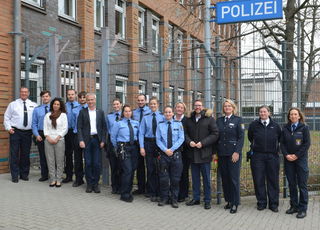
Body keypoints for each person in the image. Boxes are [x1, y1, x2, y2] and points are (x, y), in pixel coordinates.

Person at [185, 100, 219, 210]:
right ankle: (196, 198)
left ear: (202, 107)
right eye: (196, 105)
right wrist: (189, 142)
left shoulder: (209, 119)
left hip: (205, 154)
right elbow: (184, 134)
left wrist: (203, 143)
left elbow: (215, 134)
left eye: (199, 105)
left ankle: (207, 200)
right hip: (193, 154)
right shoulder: (189, 119)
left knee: (206, 179)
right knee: (195, 178)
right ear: (193, 107)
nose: (197, 107)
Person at [248, 105, 281, 212]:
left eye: (264, 112)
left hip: (272, 156)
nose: (262, 113)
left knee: (273, 180)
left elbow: (280, 138)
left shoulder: (276, 126)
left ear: (269, 113)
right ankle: (261, 202)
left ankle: (273, 204)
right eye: (260, 112)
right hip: (257, 156)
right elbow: (250, 137)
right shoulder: (253, 125)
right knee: (258, 179)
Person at [280, 108, 310, 219]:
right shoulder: (285, 128)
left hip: (301, 160)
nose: (293, 116)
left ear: (299, 116)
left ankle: (303, 209)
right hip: (288, 160)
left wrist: (296, 155)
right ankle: (294, 206)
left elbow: (306, 144)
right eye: (291, 114)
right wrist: (287, 155)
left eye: (295, 114)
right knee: (292, 184)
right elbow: (282, 144)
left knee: (302, 185)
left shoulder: (304, 128)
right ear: (289, 116)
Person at [216, 99, 244, 214]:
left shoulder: (238, 120)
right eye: (225, 106)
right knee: (225, 178)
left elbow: (241, 137)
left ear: (233, 108)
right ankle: (228, 201)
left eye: (229, 106)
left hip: (233, 154)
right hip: (222, 153)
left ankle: (235, 203)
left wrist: (237, 152)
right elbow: (216, 136)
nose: (227, 108)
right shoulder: (219, 120)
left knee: (233, 179)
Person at [4, 87, 37, 183]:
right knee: (14, 154)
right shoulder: (13, 104)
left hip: (27, 133)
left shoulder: (33, 105)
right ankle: (15, 175)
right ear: (20, 93)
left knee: (25, 154)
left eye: (25, 92)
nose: (24, 93)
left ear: (29, 93)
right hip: (15, 132)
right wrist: (8, 128)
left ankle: (24, 174)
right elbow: (7, 117)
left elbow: (35, 119)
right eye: (22, 92)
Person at [77, 93, 106, 193]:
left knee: (97, 164)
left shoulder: (100, 112)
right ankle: (89, 184)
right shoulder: (82, 112)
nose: (90, 102)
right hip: (87, 141)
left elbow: (103, 127)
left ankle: (96, 184)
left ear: (95, 100)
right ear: (86, 101)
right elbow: (79, 127)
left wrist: (103, 140)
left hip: (97, 140)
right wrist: (81, 140)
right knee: (88, 163)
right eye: (88, 100)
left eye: (92, 100)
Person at [156, 106, 184, 208]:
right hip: (164, 155)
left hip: (175, 154)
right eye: (166, 112)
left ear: (173, 114)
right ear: (164, 114)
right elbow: (158, 140)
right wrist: (165, 150)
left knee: (175, 179)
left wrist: (171, 149)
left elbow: (181, 138)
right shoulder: (160, 125)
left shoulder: (179, 124)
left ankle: (174, 199)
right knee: (163, 178)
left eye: (169, 112)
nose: (168, 114)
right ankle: (164, 198)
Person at [111, 105, 140, 202]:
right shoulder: (118, 123)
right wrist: (118, 148)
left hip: (134, 148)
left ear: (132, 112)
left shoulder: (136, 123)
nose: (128, 113)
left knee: (132, 170)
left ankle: (129, 190)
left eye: (129, 111)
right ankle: (124, 193)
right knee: (127, 170)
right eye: (126, 111)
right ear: (123, 113)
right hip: (124, 148)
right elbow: (113, 137)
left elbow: (139, 135)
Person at [139, 97, 164, 202]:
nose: (153, 106)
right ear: (149, 106)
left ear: (157, 105)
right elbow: (141, 133)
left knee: (159, 168)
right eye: (151, 104)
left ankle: (160, 192)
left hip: (159, 144)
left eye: (154, 104)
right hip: (148, 143)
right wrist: (142, 147)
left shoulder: (162, 117)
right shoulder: (145, 117)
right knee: (150, 169)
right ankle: (152, 192)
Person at [43, 97, 68, 187]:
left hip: (59, 140)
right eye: (54, 104)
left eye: (58, 104)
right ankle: (52, 179)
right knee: (50, 160)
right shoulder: (47, 115)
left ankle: (59, 179)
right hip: (48, 140)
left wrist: (57, 138)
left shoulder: (63, 115)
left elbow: (65, 129)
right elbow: (45, 128)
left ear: (60, 106)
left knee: (60, 160)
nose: (56, 106)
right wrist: (48, 137)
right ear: (52, 105)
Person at [132, 94, 151, 195]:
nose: (140, 102)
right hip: (137, 142)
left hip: (147, 141)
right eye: (138, 100)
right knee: (139, 166)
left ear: (145, 101)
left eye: (142, 100)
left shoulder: (150, 111)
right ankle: (141, 187)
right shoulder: (134, 113)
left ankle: (149, 188)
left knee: (150, 166)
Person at [32, 90, 51, 182]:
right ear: (41, 98)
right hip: (41, 133)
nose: (45, 98)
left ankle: (53, 174)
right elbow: (34, 123)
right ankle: (44, 175)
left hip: (52, 134)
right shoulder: (37, 109)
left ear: (49, 97)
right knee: (43, 155)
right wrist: (36, 134)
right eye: (43, 96)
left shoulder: (54, 108)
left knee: (52, 155)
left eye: (47, 96)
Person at [105, 98, 122, 194]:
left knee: (121, 166)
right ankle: (114, 187)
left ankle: (120, 186)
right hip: (112, 143)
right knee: (113, 166)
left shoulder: (123, 116)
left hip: (121, 143)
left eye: (117, 104)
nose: (116, 106)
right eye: (114, 104)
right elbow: (107, 130)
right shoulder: (109, 117)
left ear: (121, 104)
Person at [71, 91, 87, 187]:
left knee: (88, 158)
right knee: (77, 159)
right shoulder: (75, 110)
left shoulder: (90, 109)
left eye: (84, 97)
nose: (82, 99)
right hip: (77, 136)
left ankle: (89, 179)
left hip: (87, 136)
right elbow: (73, 123)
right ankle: (78, 179)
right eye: (80, 97)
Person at [174, 102, 190, 203]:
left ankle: (183, 194)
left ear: (184, 109)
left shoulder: (187, 121)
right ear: (175, 108)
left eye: (181, 107)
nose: (179, 109)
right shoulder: (172, 119)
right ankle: (175, 192)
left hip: (185, 151)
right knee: (175, 173)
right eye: (177, 107)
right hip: (173, 150)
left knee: (184, 172)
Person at [63, 89, 80, 183]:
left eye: (72, 94)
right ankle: (68, 176)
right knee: (68, 155)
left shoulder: (79, 106)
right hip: (67, 132)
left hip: (76, 133)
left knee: (77, 156)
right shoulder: (64, 106)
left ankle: (78, 177)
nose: (70, 96)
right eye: (69, 94)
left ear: (75, 95)